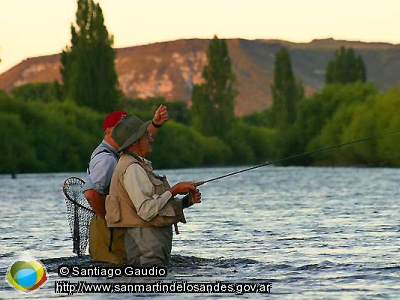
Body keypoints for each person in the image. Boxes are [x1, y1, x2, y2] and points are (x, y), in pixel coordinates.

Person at [105, 114, 202, 266]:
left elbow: (155, 205)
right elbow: (146, 210)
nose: (151, 139)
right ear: (134, 143)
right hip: (145, 251)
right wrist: (174, 190)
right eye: (146, 136)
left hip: (150, 248)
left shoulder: (138, 166)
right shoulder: (132, 169)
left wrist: (186, 201)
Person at [83, 106, 169, 264]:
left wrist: (155, 124)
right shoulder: (107, 159)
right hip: (107, 231)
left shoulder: (118, 153)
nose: (127, 131)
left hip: (112, 228)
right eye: (121, 127)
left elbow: (140, 142)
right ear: (108, 131)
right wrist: (109, 220)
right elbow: (90, 193)